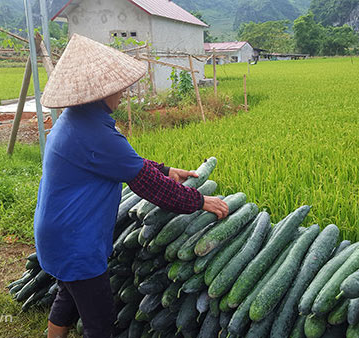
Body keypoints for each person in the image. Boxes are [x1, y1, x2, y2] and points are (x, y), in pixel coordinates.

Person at [34, 34, 229, 338]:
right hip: (76, 241)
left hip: (58, 233)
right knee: (100, 320)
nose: (123, 94)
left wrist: (166, 169)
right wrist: (201, 202)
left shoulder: (76, 119)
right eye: (118, 89)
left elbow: (126, 161)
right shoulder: (94, 133)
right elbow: (151, 188)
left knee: (69, 295)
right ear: (100, 93)